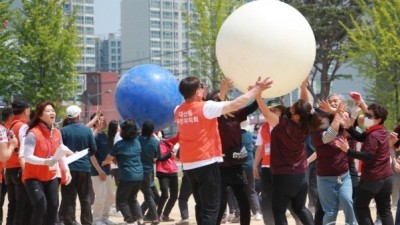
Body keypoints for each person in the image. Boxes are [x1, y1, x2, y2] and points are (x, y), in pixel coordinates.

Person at [174, 76, 273, 225]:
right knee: (211, 209)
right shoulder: (205, 107)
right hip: (206, 163)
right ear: (197, 92)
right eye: (202, 87)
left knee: (202, 206)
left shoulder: (178, 110)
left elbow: (235, 107)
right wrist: (257, 89)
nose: (204, 89)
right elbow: (236, 103)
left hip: (189, 166)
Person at [256, 77, 314, 225]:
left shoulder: (282, 124)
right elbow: (304, 106)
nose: (291, 107)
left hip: (284, 176)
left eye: (294, 108)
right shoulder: (305, 125)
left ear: (295, 116)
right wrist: (303, 89)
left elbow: (266, 113)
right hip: (302, 175)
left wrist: (257, 94)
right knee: (300, 208)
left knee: (278, 211)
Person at [336, 103, 394, 225]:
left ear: (378, 119)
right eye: (365, 114)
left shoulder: (373, 135)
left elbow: (368, 156)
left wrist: (348, 150)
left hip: (373, 178)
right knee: (385, 210)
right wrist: (349, 127)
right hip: (387, 177)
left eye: (369, 115)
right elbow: (362, 137)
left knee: (360, 206)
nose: (365, 117)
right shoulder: (380, 130)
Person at [22, 101, 72, 225]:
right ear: (39, 115)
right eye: (48, 111)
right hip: (33, 177)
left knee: (53, 207)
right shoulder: (32, 133)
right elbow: (27, 156)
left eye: (53, 110)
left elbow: (61, 152)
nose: (52, 113)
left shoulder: (56, 132)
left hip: (51, 176)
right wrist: (45, 162)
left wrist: (66, 169)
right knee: (40, 206)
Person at [310, 108, 357, 225]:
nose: (322, 119)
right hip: (325, 179)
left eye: (323, 117)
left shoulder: (341, 130)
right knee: (330, 212)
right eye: (319, 118)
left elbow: (350, 122)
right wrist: (337, 113)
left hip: (344, 175)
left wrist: (355, 109)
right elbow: (329, 135)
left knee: (348, 201)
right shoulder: (316, 134)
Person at [59, 105, 97, 225]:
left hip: (68, 169)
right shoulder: (86, 131)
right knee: (85, 198)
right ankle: (87, 222)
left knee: (69, 198)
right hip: (84, 168)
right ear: (79, 116)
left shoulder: (62, 131)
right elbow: (93, 149)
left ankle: (69, 221)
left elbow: (59, 150)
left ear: (67, 117)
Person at [102, 119, 144, 225]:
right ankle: (140, 219)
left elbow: (109, 158)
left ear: (123, 132)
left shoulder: (119, 145)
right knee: (133, 198)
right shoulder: (137, 143)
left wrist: (103, 163)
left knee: (121, 200)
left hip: (127, 176)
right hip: (139, 175)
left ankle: (130, 220)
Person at [4, 98, 32, 225]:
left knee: (13, 204)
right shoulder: (23, 127)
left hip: (8, 169)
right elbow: (24, 150)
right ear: (26, 110)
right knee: (24, 205)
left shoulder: (6, 126)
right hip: (20, 169)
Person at [88, 113, 116, 225]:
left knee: (109, 196)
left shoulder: (104, 135)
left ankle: (105, 218)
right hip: (97, 171)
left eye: (104, 120)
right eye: (101, 120)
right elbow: (91, 155)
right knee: (100, 196)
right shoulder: (93, 135)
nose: (104, 122)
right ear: (95, 122)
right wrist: (99, 170)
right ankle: (96, 220)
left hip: (107, 170)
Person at [138, 120, 160, 225]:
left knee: (152, 196)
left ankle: (144, 216)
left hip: (139, 171)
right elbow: (155, 159)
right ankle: (152, 217)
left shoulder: (137, 140)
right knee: (150, 196)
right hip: (149, 172)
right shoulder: (155, 142)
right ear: (152, 130)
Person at [156, 134, 179, 222]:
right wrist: (170, 153)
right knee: (165, 194)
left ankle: (165, 215)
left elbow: (178, 136)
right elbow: (161, 158)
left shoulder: (169, 142)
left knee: (174, 196)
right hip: (163, 172)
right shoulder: (161, 144)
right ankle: (157, 215)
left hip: (173, 172)